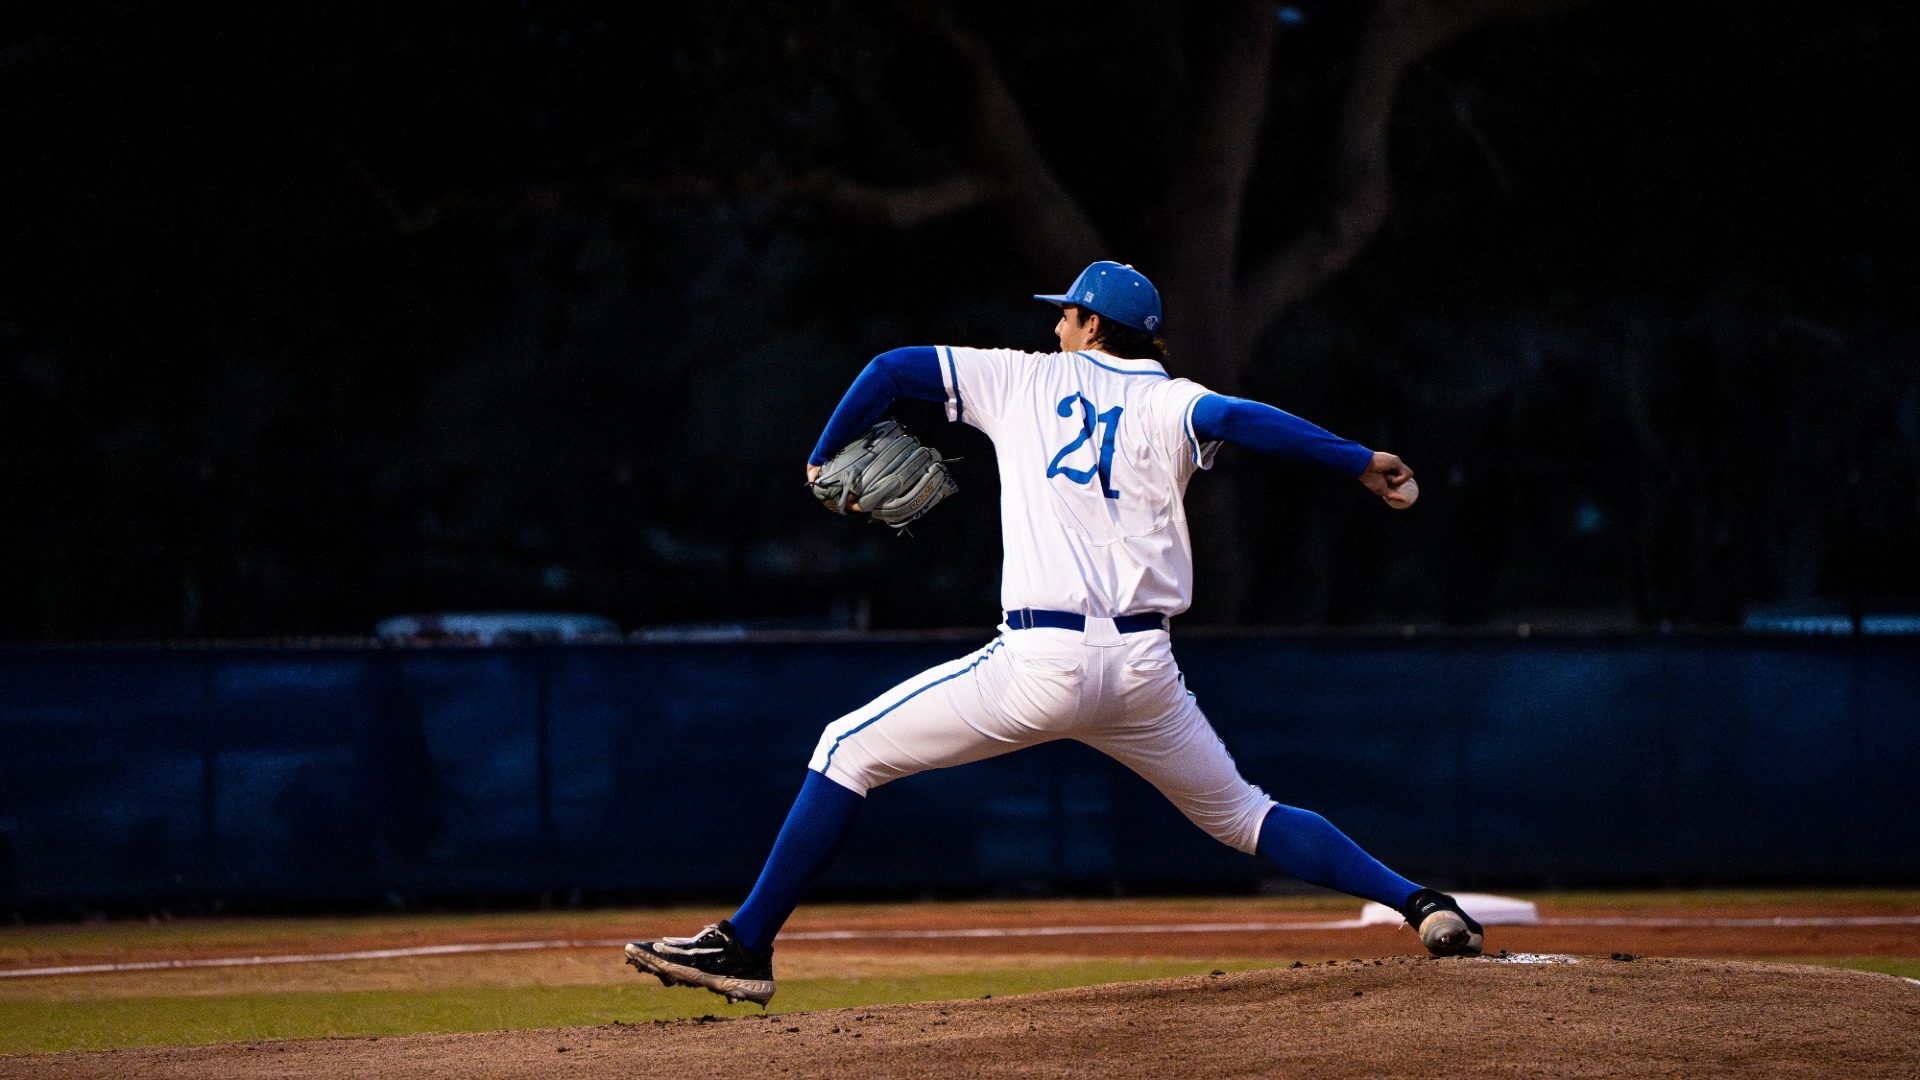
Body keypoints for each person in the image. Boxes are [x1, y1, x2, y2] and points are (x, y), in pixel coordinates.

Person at [624, 261, 1483, 1006]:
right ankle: (1421, 903)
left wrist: (822, 455)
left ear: (1092, 325)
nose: (1056, 321)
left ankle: (746, 945)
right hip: (1146, 673)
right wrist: (1357, 460)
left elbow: (888, 370)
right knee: (1245, 815)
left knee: (846, 749)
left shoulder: (1023, 378)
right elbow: (1243, 420)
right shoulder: (1173, 399)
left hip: (1040, 660)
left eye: (1066, 311)